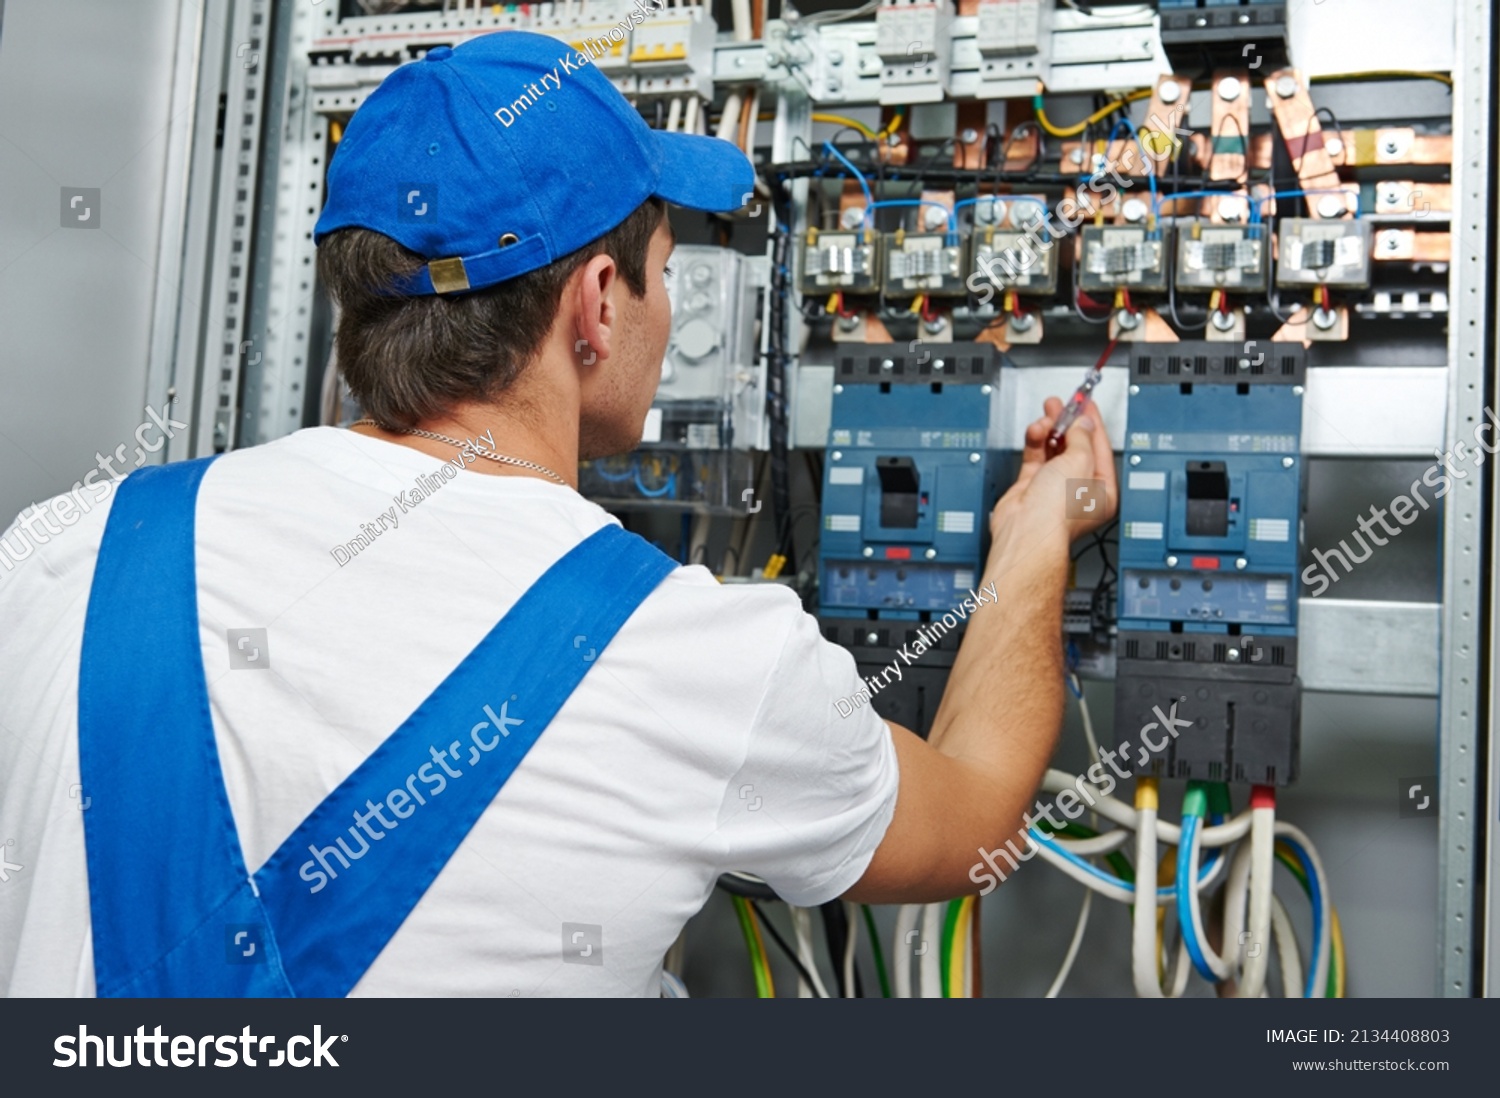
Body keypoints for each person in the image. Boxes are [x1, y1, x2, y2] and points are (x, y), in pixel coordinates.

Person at [0, 30, 1115, 997]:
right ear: (595, 305)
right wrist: (1035, 534)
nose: (667, 311)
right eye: (664, 272)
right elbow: (975, 824)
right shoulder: (696, 659)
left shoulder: (69, 546)